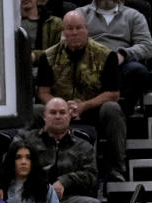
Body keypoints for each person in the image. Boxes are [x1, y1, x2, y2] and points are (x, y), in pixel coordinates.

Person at [35, 10, 128, 181]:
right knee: (35, 110)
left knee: (112, 108)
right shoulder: (48, 57)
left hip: (92, 110)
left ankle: (116, 168)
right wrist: (60, 107)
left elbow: (113, 93)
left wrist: (84, 106)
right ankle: (32, 167)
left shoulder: (105, 55)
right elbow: (43, 92)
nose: (74, 32)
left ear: (87, 29)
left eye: (78, 28)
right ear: (63, 32)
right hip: (59, 110)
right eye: (70, 29)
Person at [79, 0, 152, 113]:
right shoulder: (80, 14)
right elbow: (66, 42)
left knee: (138, 70)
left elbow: (147, 46)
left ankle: (125, 111)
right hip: (89, 62)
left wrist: (124, 54)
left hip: (121, 64)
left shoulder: (134, 15)